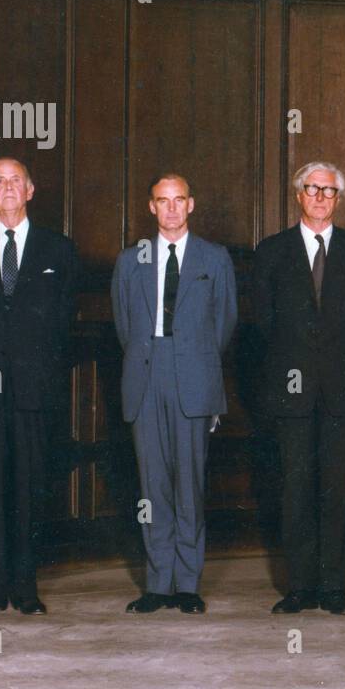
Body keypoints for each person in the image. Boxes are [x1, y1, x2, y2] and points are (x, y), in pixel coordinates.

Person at [251, 162, 345, 615]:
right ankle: (299, 587)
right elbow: (264, 322)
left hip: (344, 390)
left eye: (329, 190)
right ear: (298, 194)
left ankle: (332, 587)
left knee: (337, 490)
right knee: (295, 488)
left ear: (339, 199)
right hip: (291, 390)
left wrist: (333, 362)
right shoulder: (271, 251)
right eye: (313, 188)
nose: (321, 197)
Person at [0, 157, 77, 617]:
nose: (7, 188)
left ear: (30, 190)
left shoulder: (58, 250)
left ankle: (25, 589)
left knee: (29, 489)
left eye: (15, 181)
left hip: (34, 392)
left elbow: (62, 323)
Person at [112, 174, 237, 615]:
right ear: (151, 207)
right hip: (146, 378)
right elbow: (126, 327)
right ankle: (157, 583)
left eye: (178, 200)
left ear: (191, 204)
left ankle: (187, 583)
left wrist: (194, 362)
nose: (170, 209)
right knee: (153, 488)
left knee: (189, 484)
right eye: (162, 201)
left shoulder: (214, 258)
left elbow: (223, 325)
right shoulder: (131, 261)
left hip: (194, 377)